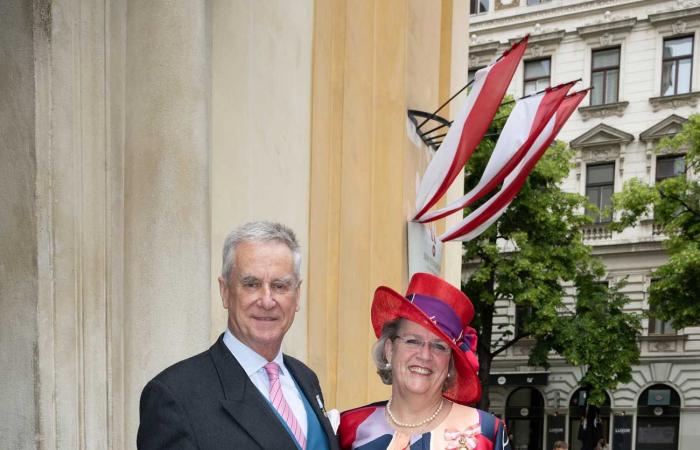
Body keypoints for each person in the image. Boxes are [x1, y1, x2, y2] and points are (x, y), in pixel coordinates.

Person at [138, 221, 339, 449]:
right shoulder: (175, 395)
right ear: (225, 292)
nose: (266, 301)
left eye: (280, 286)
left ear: (297, 295)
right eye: (251, 284)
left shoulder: (306, 379)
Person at [338, 272, 510, 450]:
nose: (425, 355)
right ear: (389, 350)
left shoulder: (486, 433)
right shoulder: (348, 427)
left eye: (439, 346)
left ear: (450, 363)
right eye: (412, 341)